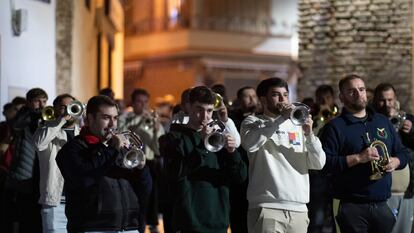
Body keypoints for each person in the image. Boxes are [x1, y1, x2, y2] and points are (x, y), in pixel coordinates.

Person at [319, 74, 408, 233]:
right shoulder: (334, 127)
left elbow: (402, 153)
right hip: (350, 205)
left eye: (361, 89)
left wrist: (395, 161)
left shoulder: (382, 121)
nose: (359, 94)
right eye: (352, 91)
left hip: (382, 203)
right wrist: (358, 158)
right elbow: (324, 164)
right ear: (341, 97)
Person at [240, 77, 326, 233]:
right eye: (276, 95)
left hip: (299, 209)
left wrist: (309, 135)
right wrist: (281, 119)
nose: (282, 99)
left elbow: (318, 163)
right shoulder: (252, 122)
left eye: (285, 95)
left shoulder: (297, 125)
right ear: (263, 100)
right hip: (267, 207)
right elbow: (250, 144)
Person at [56, 95, 151, 233]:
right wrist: (111, 149)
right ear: (89, 119)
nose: (113, 124)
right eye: (106, 118)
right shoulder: (73, 149)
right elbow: (83, 180)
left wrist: (142, 169)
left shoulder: (122, 149)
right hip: (93, 228)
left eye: (115, 118)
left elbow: (145, 192)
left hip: (129, 227)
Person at [160, 86, 247, 233]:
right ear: (188, 107)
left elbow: (240, 177)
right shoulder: (174, 138)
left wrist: (232, 152)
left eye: (209, 111)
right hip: (188, 223)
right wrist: (201, 143)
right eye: (199, 110)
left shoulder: (218, 136)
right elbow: (174, 174)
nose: (205, 116)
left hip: (219, 223)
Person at [118, 88, 165, 233]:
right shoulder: (124, 118)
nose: (143, 105)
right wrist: (136, 125)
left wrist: (156, 127)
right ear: (132, 102)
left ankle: (148, 225)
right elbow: (120, 136)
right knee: (133, 199)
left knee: (149, 200)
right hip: (128, 164)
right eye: (139, 101)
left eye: (145, 102)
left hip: (148, 164)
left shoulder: (153, 121)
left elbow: (158, 149)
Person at [2, 88, 48, 233]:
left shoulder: (46, 117)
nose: (41, 105)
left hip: (40, 174)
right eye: (37, 101)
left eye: (44, 101)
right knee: (25, 217)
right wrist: (28, 112)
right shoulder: (23, 117)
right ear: (28, 102)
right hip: (25, 174)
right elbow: (15, 125)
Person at [33, 94, 81, 233]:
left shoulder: (81, 132)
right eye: (63, 107)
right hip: (55, 202)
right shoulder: (46, 129)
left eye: (71, 107)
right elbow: (38, 143)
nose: (68, 111)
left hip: (79, 201)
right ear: (54, 110)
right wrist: (60, 121)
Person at [372, 83, 414, 233]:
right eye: (382, 100)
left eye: (390, 100)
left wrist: (411, 132)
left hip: (406, 189)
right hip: (379, 188)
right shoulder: (371, 120)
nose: (387, 105)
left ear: (395, 99)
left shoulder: (407, 118)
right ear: (375, 101)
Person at [308, 84, 338, 233]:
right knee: (317, 216)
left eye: (327, 98)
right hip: (318, 173)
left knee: (336, 216)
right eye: (321, 99)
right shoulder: (311, 117)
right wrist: (319, 119)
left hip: (335, 172)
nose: (324, 102)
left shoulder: (339, 116)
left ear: (333, 99)